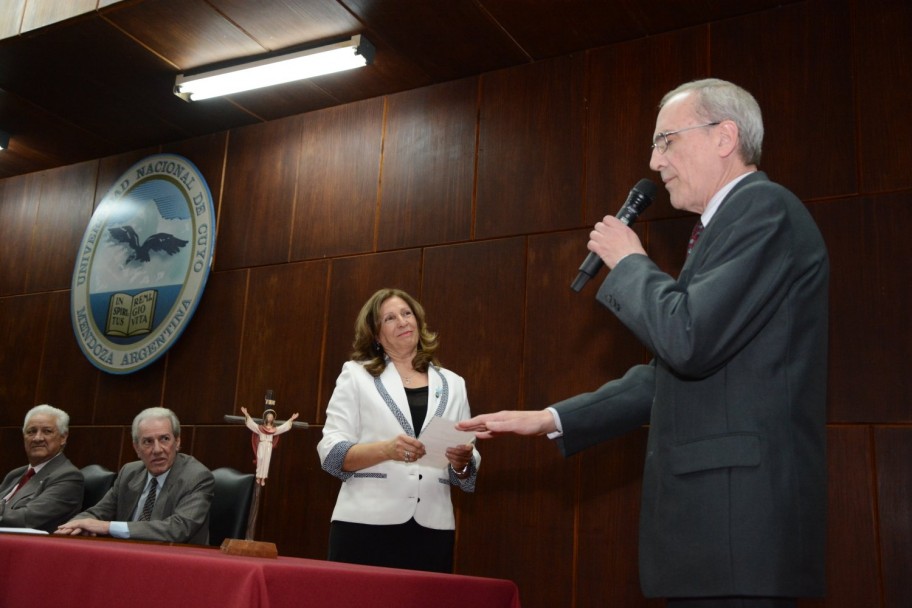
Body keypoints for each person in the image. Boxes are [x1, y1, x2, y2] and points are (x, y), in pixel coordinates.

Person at [458, 79, 829, 607]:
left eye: (666, 140)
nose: (655, 161)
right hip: (713, 540)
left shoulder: (762, 209)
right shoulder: (727, 225)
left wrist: (630, 261)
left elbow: (687, 339)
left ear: (725, 137)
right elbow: (668, 374)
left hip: (738, 534)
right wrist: (550, 418)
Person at [317, 288, 480, 573]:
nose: (403, 322)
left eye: (407, 314)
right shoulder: (356, 375)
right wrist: (386, 449)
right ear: (376, 335)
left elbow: (468, 459)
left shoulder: (454, 383)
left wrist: (463, 463)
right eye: (390, 318)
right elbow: (330, 452)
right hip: (364, 526)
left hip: (433, 529)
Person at [56, 407, 214, 545]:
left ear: (177, 442)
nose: (157, 449)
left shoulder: (196, 476)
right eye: (148, 442)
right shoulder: (129, 472)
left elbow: (177, 529)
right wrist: (73, 526)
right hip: (126, 557)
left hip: (176, 563)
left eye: (164, 439)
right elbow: (98, 513)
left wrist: (106, 527)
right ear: (136, 448)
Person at [0, 404, 84, 533]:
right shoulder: (15, 474)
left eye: (47, 431)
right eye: (31, 431)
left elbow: (27, 518)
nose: (37, 438)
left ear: (63, 437)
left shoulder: (68, 476)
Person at [240, 406, 299, 486]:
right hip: (262, 444)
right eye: (268, 417)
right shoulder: (260, 428)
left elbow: (283, 427)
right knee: (260, 459)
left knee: (266, 461)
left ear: (273, 419)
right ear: (266, 418)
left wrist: (291, 419)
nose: (270, 418)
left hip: (268, 446)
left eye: (271, 417)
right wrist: (246, 414)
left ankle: (263, 478)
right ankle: (258, 476)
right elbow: (252, 424)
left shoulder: (274, 429)